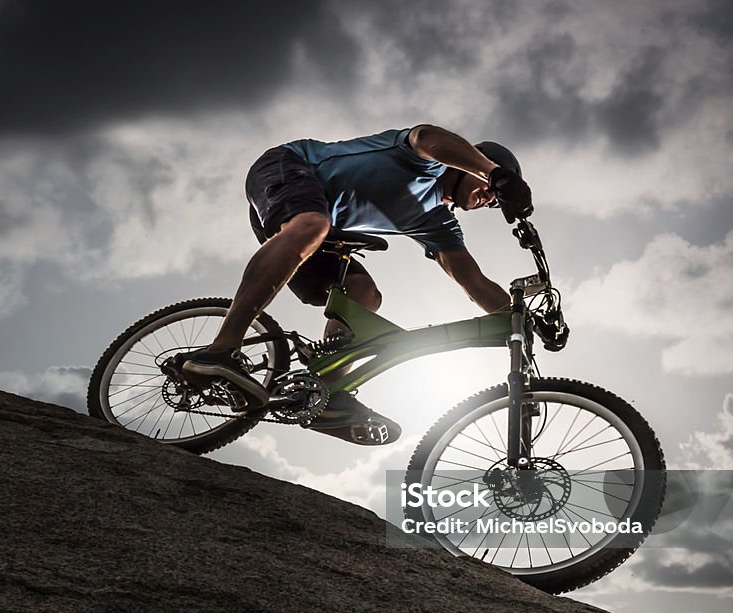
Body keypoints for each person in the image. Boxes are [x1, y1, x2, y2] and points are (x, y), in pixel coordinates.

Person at [177, 124, 533, 445]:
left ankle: (325, 393)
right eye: (488, 186)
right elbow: (427, 136)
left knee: (366, 296)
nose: (491, 196)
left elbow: (473, 282)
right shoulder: (426, 161)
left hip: (322, 233)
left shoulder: (438, 222)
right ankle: (221, 348)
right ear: (471, 164)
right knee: (311, 223)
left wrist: (522, 321)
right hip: (290, 169)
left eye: (495, 198)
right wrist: (496, 173)